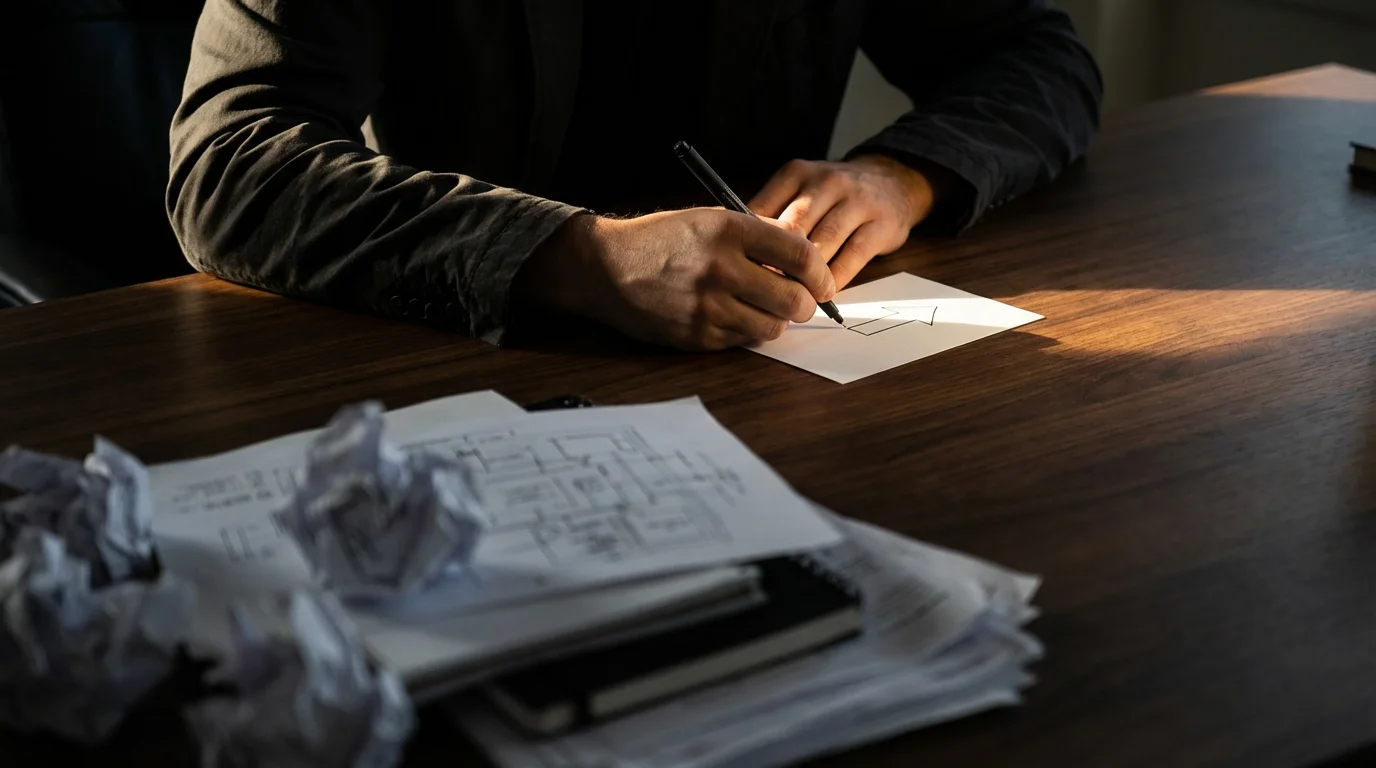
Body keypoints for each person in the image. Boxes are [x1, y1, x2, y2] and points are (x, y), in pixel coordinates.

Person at [167, 1, 1102, 350]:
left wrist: (902, 177)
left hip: (760, 370)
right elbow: (230, 161)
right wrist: (582, 258)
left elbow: (1037, 54)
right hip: (451, 369)